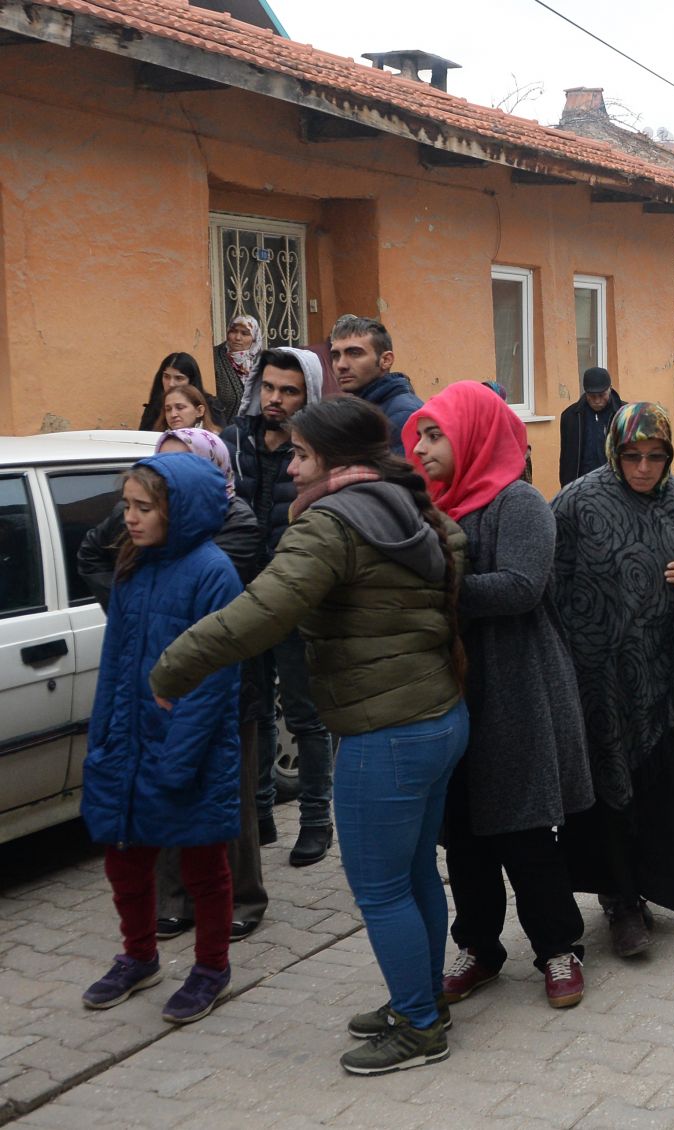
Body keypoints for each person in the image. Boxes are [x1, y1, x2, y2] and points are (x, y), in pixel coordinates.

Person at [151, 396, 469, 1077]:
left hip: (383, 734)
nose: (289, 468)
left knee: (381, 889)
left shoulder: (330, 524)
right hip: (439, 718)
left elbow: (260, 614)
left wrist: (173, 665)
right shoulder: (409, 505)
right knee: (415, 875)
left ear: (333, 459)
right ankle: (421, 1001)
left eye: (299, 454)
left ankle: (418, 1026)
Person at [403, 383, 595, 1010]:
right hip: (451, 689)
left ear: (475, 435)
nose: (422, 448)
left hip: (516, 685)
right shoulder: (430, 507)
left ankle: (559, 947)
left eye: (436, 435)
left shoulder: (517, 502)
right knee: (463, 834)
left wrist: (436, 590)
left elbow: (521, 586)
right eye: (421, 436)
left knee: (525, 829)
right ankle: (479, 947)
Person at [551, 403, 674, 957]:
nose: (643, 468)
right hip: (599, 682)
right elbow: (546, 581)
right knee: (608, 789)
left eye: (656, 457)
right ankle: (620, 901)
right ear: (615, 452)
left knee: (661, 791)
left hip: (664, 679)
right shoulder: (578, 503)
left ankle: (656, 885)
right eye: (632, 456)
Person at [77, 429, 268, 943]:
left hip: (185, 749)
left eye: (143, 508)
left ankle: (209, 969)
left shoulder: (213, 572)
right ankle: (136, 958)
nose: (129, 519)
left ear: (179, 508)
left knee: (207, 866)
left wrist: (177, 762)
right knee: (127, 864)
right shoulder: (131, 566)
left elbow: (211, 682)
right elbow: (116, 664)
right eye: (126, 506)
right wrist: (105, 739)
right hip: (133, 742)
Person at [223, 347, 333, 863]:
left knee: (306, 716)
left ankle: (316, 819)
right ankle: (261, 814)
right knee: (256, 709)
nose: (275, 399)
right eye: (269, 387)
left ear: (307, 394)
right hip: (244, 599)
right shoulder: (235, 441)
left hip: (296, 601)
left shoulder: (319, 450)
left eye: (289, 390)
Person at [328, 314, 424, 456]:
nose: (341, 365)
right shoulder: (360, 409)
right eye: (336, 356)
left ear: (386, 360)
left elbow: (401, 476)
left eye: (354, 353)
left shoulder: (403, 414)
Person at [558, 367, 624, 486]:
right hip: (581, 486)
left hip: (616, 486)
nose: (597, 400)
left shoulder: (625, 414)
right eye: (592, 396)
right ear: (585, 392)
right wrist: (567, 489)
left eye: (601, 395)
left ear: (610, 388)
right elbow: (566, 460)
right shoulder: (570, 417)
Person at [212, 315, 264, 428]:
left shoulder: (263, 362)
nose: (237, 338)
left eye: (245, 333)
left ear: (254, 337)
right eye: (233, 331)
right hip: (223, 435)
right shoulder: (214, 358)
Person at [138, 352, 207, 432]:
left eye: (179, 378)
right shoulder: (153, 408)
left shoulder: (211, 406)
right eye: (166, 377)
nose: (171, 384)